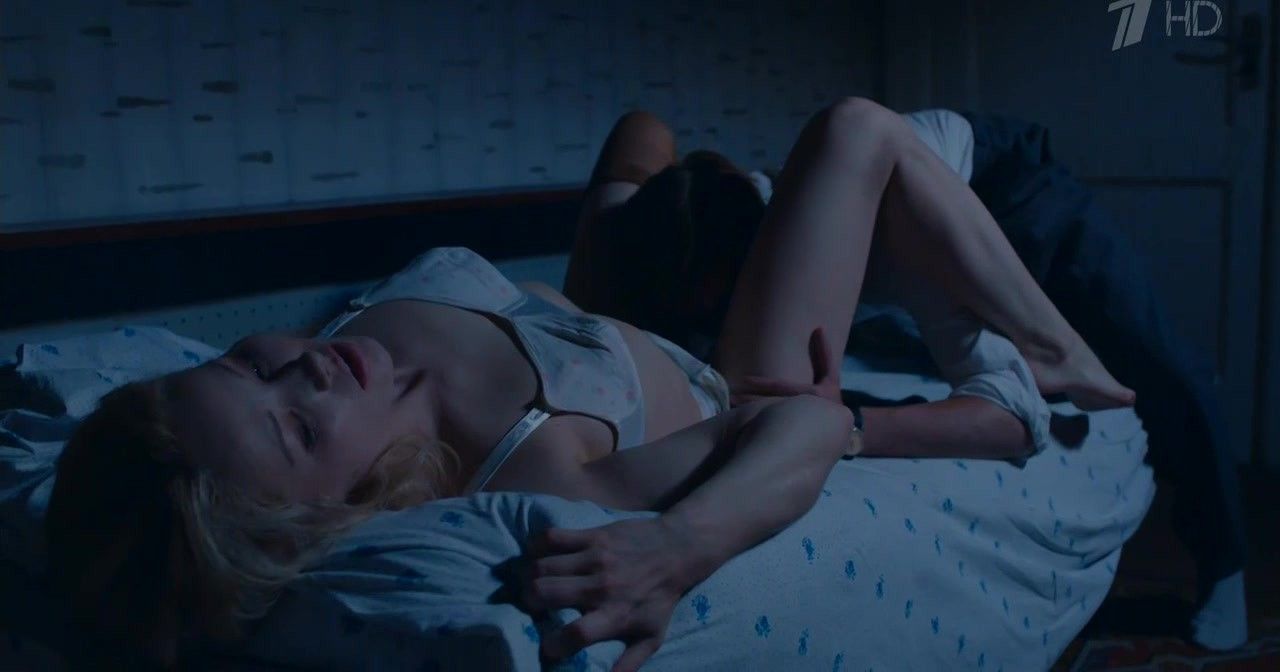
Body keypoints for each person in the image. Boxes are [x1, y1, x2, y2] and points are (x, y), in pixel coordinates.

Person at [44, 97, 1132, 670]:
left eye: (244, 363)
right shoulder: (533, 468)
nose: (303, 366)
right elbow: (798, 428)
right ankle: (1038, 369)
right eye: (294, 426)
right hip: (706, 366)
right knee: (860, 134)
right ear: (330, 512)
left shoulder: (333, 355)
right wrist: (683, 543)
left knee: (642, 130)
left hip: (583, 303)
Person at [603, 107, 1247, 650]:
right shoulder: (687, 230)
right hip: (920, 169)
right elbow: (638, 139)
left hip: (1010, 189)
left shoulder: (888, 229)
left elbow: (1015, 413)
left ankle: (1227, 566)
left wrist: (853, 427)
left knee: (1157, 361)